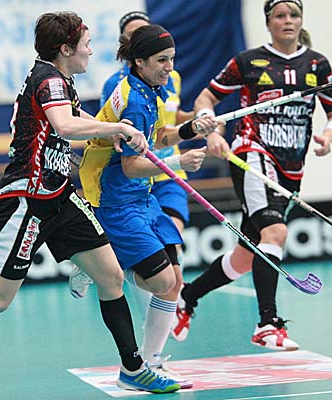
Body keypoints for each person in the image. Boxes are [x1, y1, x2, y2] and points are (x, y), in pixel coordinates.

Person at [0, 12, 182, 399]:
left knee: (111, 277)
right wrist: (118, 127)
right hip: (27, 200)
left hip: (60, 196)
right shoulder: (48, 79)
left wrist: (109, 134)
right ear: (65, 49)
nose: (91, 51)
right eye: (86, 44)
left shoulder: (60, 80)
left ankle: (133, 369)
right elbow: (65, 126)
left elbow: (75, 116)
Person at [171, 0, 332, 351]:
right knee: (275, 232)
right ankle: (267, 324)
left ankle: (187, 296)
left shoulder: (317, 64)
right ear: (269, 22)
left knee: (245, 258)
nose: (287, 21)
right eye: (280, 15)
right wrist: (211, 131)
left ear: (300, 20)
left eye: (293, 15)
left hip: (291, 167)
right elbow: (205, 99)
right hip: (252, 155)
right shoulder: (248, 62)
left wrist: (327, 135)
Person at [73, 24, 222, 388]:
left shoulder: (148, 89)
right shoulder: (135, 100)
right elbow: (131, 165)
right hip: (116, 200)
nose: (169, 67)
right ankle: (96, 262)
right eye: (161, 60)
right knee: (162, 281)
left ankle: (150, 362)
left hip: (142, 197)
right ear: (139, 61)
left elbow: (156, 137)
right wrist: (179, 163)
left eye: (171, 59)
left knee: (173, 283)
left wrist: (193, 129)